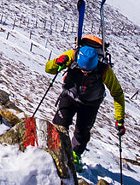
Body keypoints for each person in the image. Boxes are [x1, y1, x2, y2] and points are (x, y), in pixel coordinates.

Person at [43, 34, 125, 162]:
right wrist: (57, 63)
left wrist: (119, 119)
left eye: (88, 71)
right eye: (82, 69)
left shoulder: (104, 69)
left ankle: (75, 157)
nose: (84, 72)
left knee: (82, 133)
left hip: (90, 103)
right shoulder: (72, 55)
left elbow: (117, 93)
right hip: (70, 95)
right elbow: (48, 68)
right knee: (59, 124)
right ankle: (54, 149)